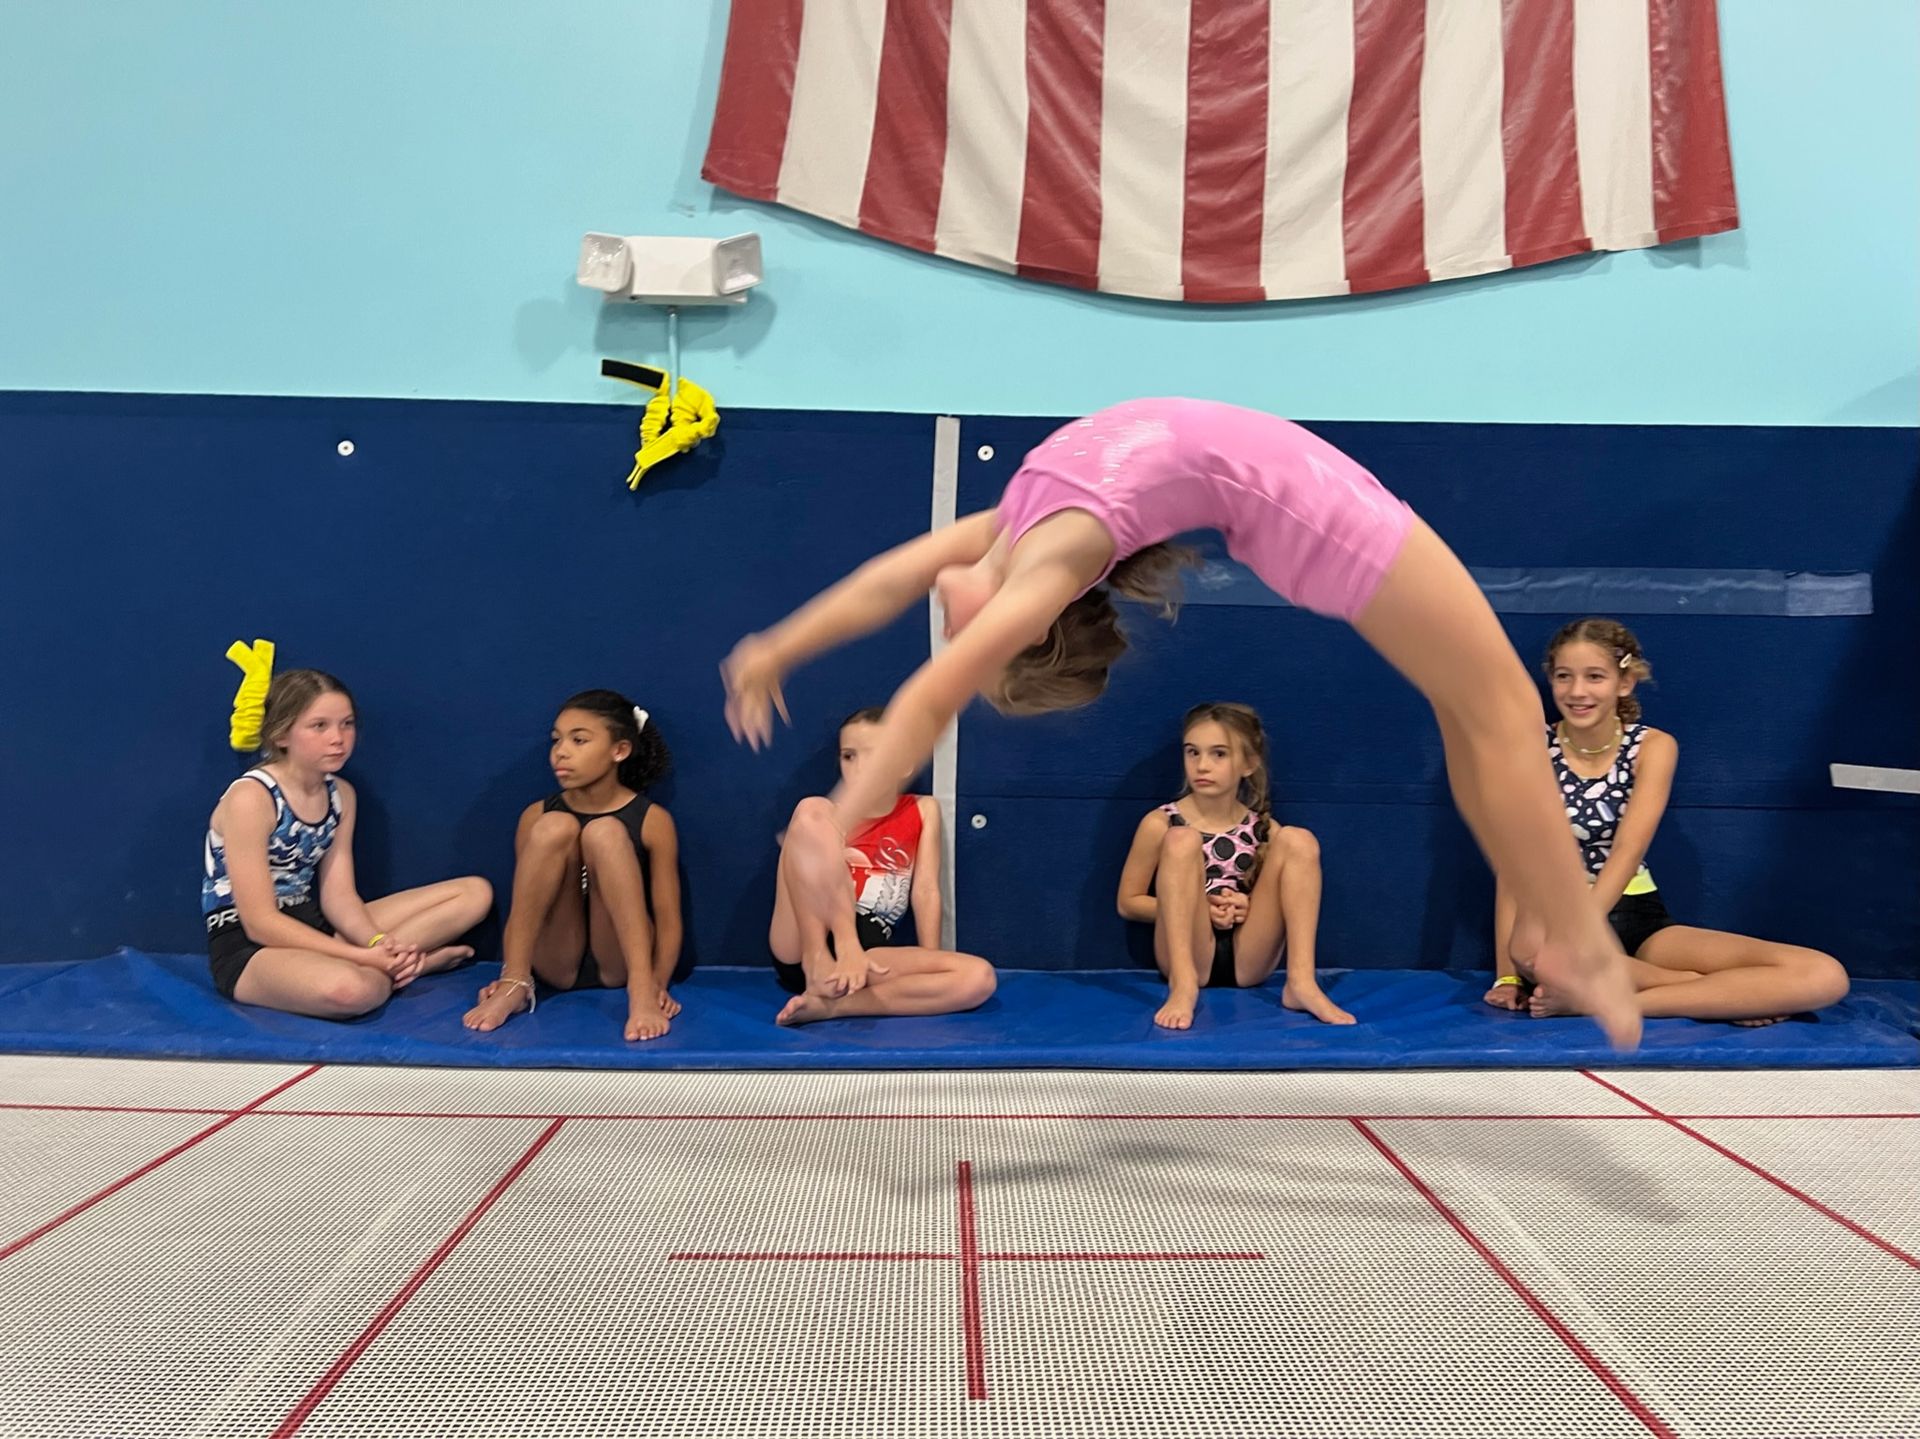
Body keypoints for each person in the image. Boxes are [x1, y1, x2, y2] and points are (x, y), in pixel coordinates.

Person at [723, 398, 1639, 1047]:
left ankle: (1564, 929)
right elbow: (930, 694)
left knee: (1479, 712)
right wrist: (835, 819)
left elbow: (889, 588)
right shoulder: (1046, 561)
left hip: (1309, 505)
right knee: (1507, 713)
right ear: (1028, 633)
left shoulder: (1016, 527)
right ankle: (1575, 937)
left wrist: (778, 645)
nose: (948, 619)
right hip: (1314, 515)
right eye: (975, 638)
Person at [1486, 619, 1848, 1026]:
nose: (1577, 691)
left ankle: (1602, 1001)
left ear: (1624, 682)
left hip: (1633, 913)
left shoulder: (1653, 746)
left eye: (1595, 677)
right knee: (1536, 951)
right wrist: (1508, 975)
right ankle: (1706, 993)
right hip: (1552, 920)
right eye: (1564, 677)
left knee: (1824, 975)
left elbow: (1628, 849)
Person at [202, 668, 490, 1017]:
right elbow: (259, 921)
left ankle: (393, 964)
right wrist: (361, 956)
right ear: (281, 734)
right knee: (351, 991)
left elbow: (338, 896)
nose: (338, 738)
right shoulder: (252, 797)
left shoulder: (341, 795)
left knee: (475, 893)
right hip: (249, 948)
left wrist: (378, 942)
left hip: (314, 924)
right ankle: (412, 967)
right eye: (319, 726)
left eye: (347, 724)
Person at [463, 691, 683, 1041]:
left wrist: (655, 983)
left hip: (621, 964)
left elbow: (668, 917)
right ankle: (516, 984)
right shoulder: (535, 815)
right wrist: (510, 971)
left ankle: (638, 993)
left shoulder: (653, 820)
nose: (561, 751)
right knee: (554, 826)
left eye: (579, 740)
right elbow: (523, 911)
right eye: (557, 740)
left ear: (619, 751)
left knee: (605, 832)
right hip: (555, 961)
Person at [1117, 702, 1350, 1030]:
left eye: (1219, 754)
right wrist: (1198, 909)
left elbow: (1279, 900)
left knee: (1300, 841)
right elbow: (1128, 902)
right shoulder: (1160, 823)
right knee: (1181, 840)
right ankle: (1183, 986)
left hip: (1249, 957)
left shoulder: (1266, 829)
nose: (1202, 766)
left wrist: (1247, 905)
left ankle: (1301, 982)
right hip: (1186, 953)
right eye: (1192, 752)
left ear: (1249, 763)